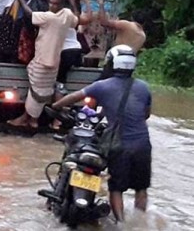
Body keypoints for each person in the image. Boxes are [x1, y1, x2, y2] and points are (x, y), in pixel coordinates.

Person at [52, 44, 152, 223]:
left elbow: (74, 97)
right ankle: (139, 224)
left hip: (119, 145)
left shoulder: (101, 86)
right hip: (143, 144)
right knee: (141, 189)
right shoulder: (143, 87)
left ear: (112, 64)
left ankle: (121, 224)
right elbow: (145, 114)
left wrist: (55, 107)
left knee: (116, 188)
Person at [7, 0, 92, 129]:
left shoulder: (49, 17)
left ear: (61, 5)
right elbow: (79, 19)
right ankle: (28, 118)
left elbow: (29, 14)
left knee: (38, 91)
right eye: (50, 3)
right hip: (54, 59)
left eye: (55, 3)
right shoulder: (67, 15)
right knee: (40, 89)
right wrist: (74, 3)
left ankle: (32, 120)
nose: (51, 6)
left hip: (44, 59)